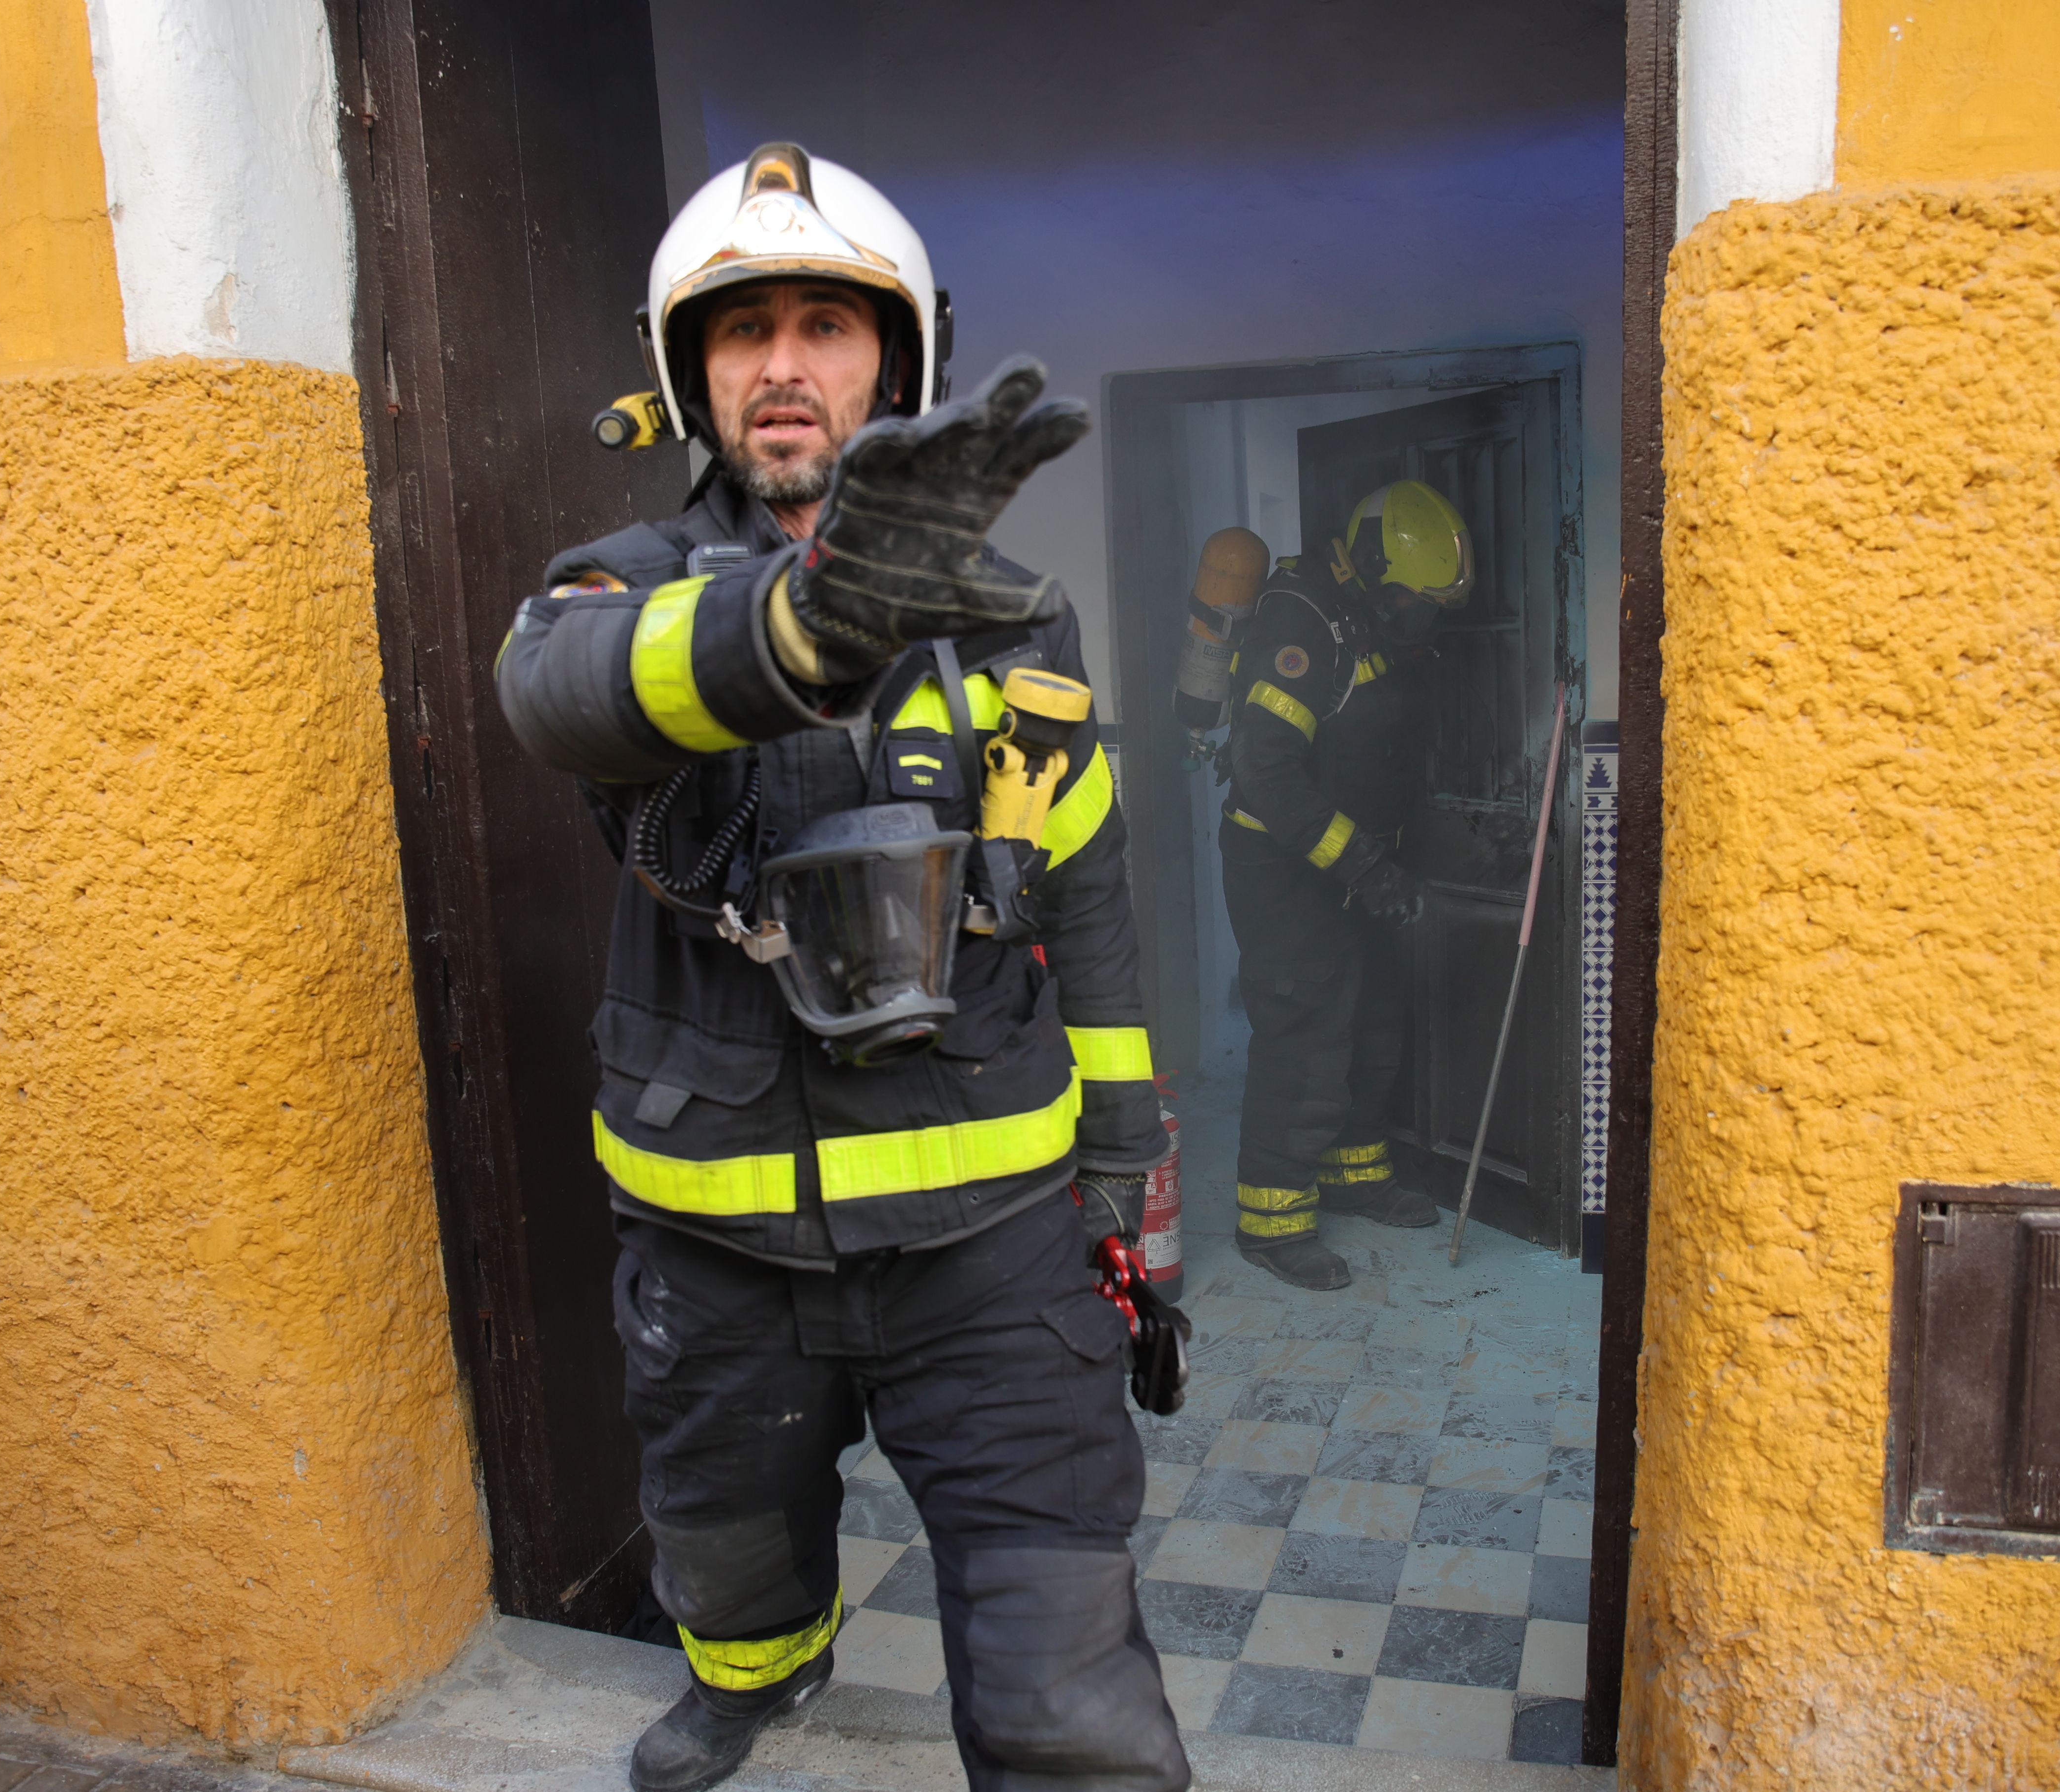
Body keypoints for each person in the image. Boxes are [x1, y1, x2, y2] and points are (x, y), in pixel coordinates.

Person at [494, 143, 1186, 1792]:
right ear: (694, 375)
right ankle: (754, 1682)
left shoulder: (1022, 622)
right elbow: (556, 690)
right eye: (743, 333)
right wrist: (798, 633)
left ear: (897, 359)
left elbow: (1085, 903)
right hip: (716, 1236)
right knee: (727, 1556)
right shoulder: (627, 581)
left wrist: (1128, 1183)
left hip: (996, 1243)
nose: (785, 365)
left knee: (1066, 1677)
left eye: (825, 323)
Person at [1213, 481, 1474, 1290]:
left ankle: (1358, 1174)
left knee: (1374, 1019)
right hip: (1286, 868)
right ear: (1366, 565)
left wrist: (1376, 866)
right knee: (1306, 1032)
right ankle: (1274, 1220)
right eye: (1412, 600)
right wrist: (1361, 864)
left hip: (1361, 866)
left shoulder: (1364, 617)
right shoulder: (1301, 622)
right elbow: (1263, 770)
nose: (1419, 620)